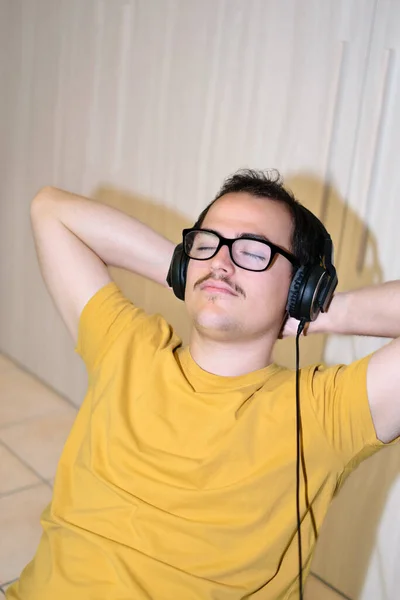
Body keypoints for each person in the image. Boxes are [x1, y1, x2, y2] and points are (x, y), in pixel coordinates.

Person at [7, 169, 400, 600]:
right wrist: (193, 273)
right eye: (207, 244)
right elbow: (50, 210)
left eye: (254, 251)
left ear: (299, 286)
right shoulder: (127, 347)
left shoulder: (325, 413)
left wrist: (322, 308)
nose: (221, 261)